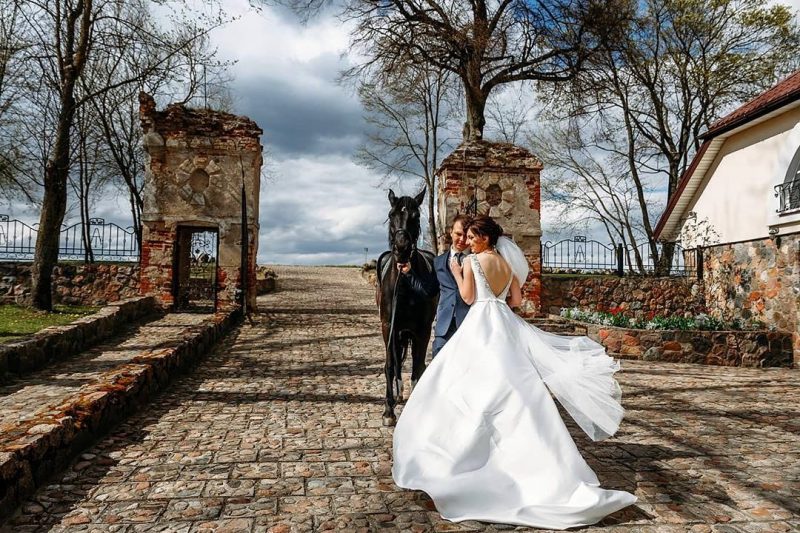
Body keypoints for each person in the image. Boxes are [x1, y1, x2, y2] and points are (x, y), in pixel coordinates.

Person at [392, 215, 637, 530]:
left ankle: (463, 454)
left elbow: (467, 298)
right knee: (515, 390)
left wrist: (457, 272)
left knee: (465, 387)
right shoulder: (506, 265)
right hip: (503, 323)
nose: (466, 240)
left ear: (482, 237)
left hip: (479, 324)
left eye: (470, 235)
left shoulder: (470, 262)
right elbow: (516, 301)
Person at [431, 214, 472, 357]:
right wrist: (409, 272)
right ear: (451, 232)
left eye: (466, 235)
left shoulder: (478, 260)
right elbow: (429, 290)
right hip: (444, 327)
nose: (462, 239)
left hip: (470, 324)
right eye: (458, 234)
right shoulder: (438, 262)